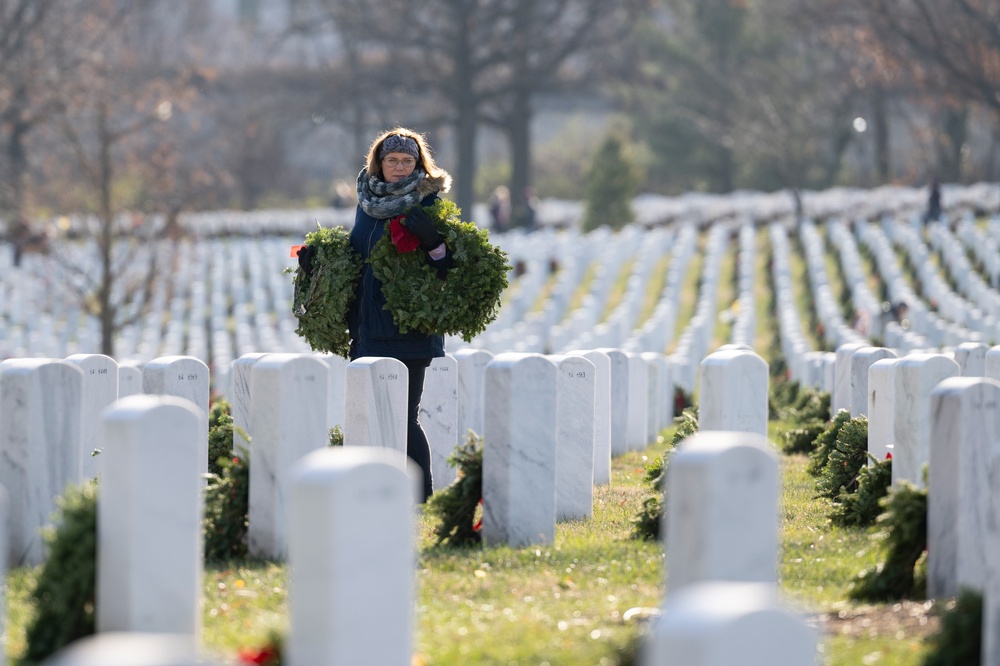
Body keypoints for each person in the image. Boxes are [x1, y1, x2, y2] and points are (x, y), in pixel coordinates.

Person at [319, 128, 451, 503]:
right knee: (372, 413)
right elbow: (357, 256)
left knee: (404, 417)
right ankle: (377, 491)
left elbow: (449, 267)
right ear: (378, 163)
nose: (398, 166)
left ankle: (422, 495)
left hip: (409, 327)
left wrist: (433, 243)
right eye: (391, 160)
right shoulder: (365, 203)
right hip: (367, 326)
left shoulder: (428, 203)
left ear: (418, 165)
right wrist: (321, 261)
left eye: (407, 161)